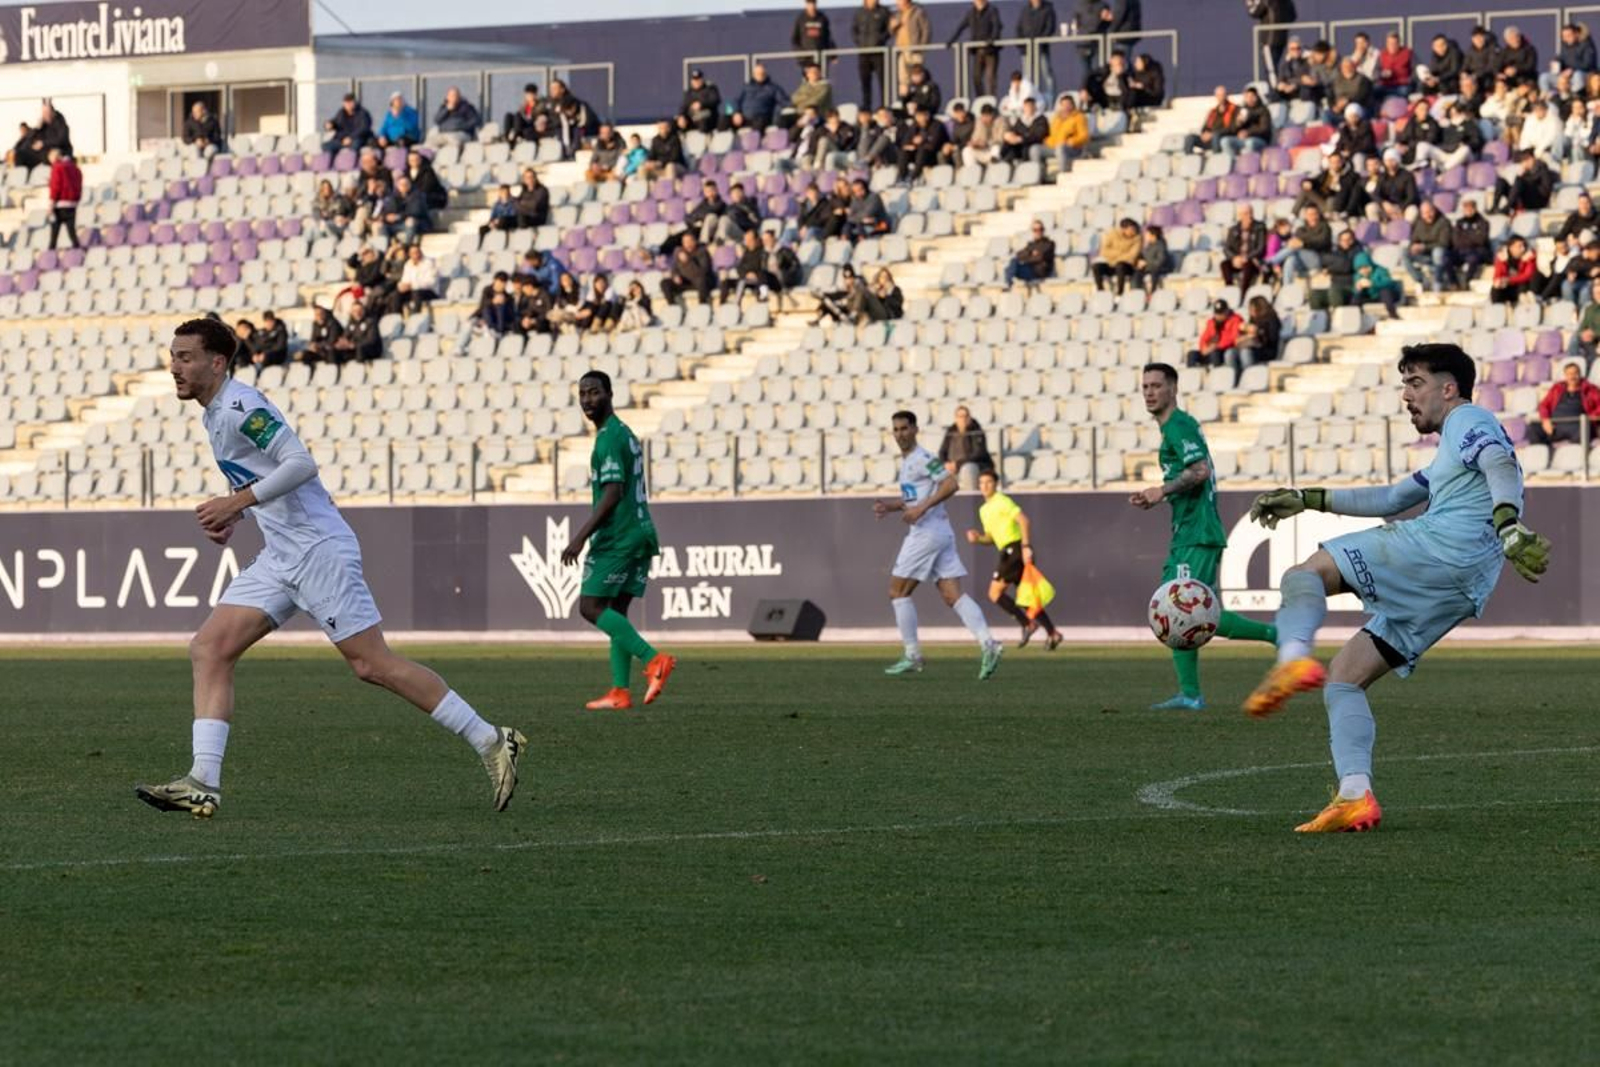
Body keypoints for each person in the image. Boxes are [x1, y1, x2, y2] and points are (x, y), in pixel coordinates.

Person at [133, 319, 524, 819]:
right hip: (282, 554)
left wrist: (236, 505)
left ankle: (492, 738)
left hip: (318, 550)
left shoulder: (240, 407)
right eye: (173, 356)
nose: (175, 367)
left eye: (185, 357)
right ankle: (203, 781)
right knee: (210, 648)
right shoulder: (213, 413)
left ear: (217, 362)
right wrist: (240, 511)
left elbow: (300, 463)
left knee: (370, 664)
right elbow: (265, 476)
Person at [1243, 344, 1549, 832]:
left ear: (1448, 388)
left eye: (1415, 383)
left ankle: (1291, 658)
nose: (1406, 395)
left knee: (1304, 575)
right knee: (1344, 677)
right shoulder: (1451, 447)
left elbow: (1500, 465)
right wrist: (1306, 498)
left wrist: (1509, 522)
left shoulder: (1469, 419)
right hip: (1461, 586)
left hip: (1441, 548)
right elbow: (1392, 497)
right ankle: (1354, 795)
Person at [1127, 362, 1277, 710]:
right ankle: (1191, 694)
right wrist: (1161, 496)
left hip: (1197, 532)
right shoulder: (1172, 429)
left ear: (1173, 389)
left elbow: (1200, 470)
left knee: (1180, 608)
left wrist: (1161, 491)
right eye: (1145, 386)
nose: (1149, 392)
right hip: (1190, 531)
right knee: (1182, 609)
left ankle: (1276, 635)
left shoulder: (1179, 425)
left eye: (1156, 385)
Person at [557, 371, 675, 711]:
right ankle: (620, 692)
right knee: (616, 611)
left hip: (619, 535)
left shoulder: (609, 438)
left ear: (610, 393)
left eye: (594, 392)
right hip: (641, 530)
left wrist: (580, 537)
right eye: (582, 394)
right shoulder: (626, 433)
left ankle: (654, 660)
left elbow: (613, 493)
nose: (587, 400)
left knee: (590, 607)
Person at [876, 410, 1004, 679]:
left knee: (897, 592)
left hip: (926, 533)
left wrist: (921, 510)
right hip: (939, 533)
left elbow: (951, 484)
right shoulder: (909, 461)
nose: (900, 434)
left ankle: (912, 655)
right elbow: (913, 498)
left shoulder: (923, 458)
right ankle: (989, 644)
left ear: (915, 429)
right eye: (896, 429)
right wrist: (891, 506)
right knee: (951, 595)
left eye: (904, 429)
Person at [967, 469, 1063, 649]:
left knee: (994, 593)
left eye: (989, 482)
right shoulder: (984, 510)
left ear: (995, 484)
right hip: (1006, 550)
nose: (985, 486)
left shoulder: (1002, 501)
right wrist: (978, 538)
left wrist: (1026, 546)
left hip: (1016, 549)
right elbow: (991, 537)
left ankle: (1028, 624)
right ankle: (1053, 633)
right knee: (1027, 599)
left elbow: (1024, 521)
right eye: (981, 483)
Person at [1527, 360, 1600, 445]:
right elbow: (1543, 405)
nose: (1572, 376)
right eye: (1569, 374)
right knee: (1533, 428)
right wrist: (1545, 420)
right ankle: (1543, 455)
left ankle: (1574, 454)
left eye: (1575, 373)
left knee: (1586, 429)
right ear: (1565, 376)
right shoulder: (1557, 388)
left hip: (1577, 426)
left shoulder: (1590, 389)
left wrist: (1590, 417)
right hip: (1555, 426)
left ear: (1580, 374)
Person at [948, 0, 1003, 98]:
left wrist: (992, 39)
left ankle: (991, 101)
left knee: (990, 78)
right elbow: (961, 27)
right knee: (976, 77)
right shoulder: (971, 13)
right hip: (978, 50)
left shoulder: (992, 10)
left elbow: (997, 26)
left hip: (990, 51)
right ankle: (981, 100)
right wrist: (951, 40)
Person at [938, 404, 993, 487]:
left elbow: (978, 454)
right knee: (932, 468)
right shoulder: (951, 431)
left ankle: (970, 498)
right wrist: (946, 464)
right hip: (952, 466)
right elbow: (942, 451)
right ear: (955, 418)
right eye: (960, 416)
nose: (963, 419)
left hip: (975, 465)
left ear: (969, 417)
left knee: (968, 469)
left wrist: (958, 464)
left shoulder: (977, 431)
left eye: (965, 416)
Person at [851, 0, 893, 109]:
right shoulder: (859, 13)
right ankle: (866, 106)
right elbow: (854, 30)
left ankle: (885, 106)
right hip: (864, 52)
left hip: (879, 52)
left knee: (883, 81)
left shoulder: (884, 11)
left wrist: (879, 40)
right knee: (865, 81)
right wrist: (859, 42)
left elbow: (889, 29)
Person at [1221, 203, 1267, 293]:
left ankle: (1243, 292)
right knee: (1224, 264)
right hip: (1237, 259)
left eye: (1249, 213)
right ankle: (1229, 289)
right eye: (1244, 213)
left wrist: (1246, 257)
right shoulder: (1233, 229)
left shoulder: (1260, 227)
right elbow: (1226, 248)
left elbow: (1260, 248)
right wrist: (1234, 257)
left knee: (1248, 265)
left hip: (1252, 260)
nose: (1247, 216)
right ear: (1240, 215)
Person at [729, 64, 789, 132]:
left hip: (761, 118)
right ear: (753, 75)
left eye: (762, 74)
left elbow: (784, 100)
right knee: (724, 119)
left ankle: (754, 141)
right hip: (743, 118)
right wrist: (736, 113)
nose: (760, 76)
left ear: (765, 74)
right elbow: (735, 100)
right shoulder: (746, 87)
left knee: (759, 122)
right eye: (758, 74)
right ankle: (721, 141)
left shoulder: (773, 88)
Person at [1187, 299, 1243, 369]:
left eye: (1221, 313)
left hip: (1224, 350)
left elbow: (1234, 338)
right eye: (1217, 313)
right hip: (1211, 350)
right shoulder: (1211, 322)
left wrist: (1216, 346)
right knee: (1192, 354)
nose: (1219, 316)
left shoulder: (1236, 319)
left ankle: (1217, 376)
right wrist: (1204, 348)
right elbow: (1204, 338)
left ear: (1227, 311)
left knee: (1215, 353)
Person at [1092, 217, 1141, 294]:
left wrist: (1114, 257)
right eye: (1131, 230)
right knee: (1096, 266)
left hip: (1127, 266)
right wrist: (1121, 253)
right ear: (1123, 229)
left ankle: (1120, 293)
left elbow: (1132, 255)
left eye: (1134, 230)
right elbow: (1104, 251)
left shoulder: (1137, 238)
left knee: (1120, 265)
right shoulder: (1112, 234)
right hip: (1111, 265)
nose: (1133, 232)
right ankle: (1100, 290)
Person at [1247, 0, 1298, 75]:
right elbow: (1293, 16)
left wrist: (1251, 2)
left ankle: (1275, 86)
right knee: (1274, 67)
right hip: (1281, 38)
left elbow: (1254, 12)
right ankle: (1278, 84)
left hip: (1269, 40)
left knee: (1271, 69)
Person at [1234, 295, 1281, 374]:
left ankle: (1249, 375)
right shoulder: (1253, 319)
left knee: (1245, 352)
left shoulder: (1271, 319)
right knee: (1231, 353)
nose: (1249, 311)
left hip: (1266, 349)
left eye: (1251, 308)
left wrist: (1258, 332)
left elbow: (1272, 338)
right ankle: (1235, 377)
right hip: (1254, 346)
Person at [1183, 86, 1237, 155]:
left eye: (1223, 95)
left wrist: (1212, 134)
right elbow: (1205, 126)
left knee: (1215, 136)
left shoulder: (1234, 109)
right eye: (1218, 95)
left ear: (1226, 95)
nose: (1221, 97)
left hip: (1221, 138)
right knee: (1190, 138)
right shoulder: (1213, 112)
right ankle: (1189, 160)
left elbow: (1232, 128)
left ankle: (1216, 159)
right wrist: (1204, 134)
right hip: (1209, 139)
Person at [1491, 235, 1541, 306]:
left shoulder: (1529, 256)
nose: (1523, 248)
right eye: (1519, 246)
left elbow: (1528, 275)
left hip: (1522, 287)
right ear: (1511, 247)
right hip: (1508, 286)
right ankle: (1497, 307)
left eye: (1524, 245)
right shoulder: (1501, 257)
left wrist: (1509, 280)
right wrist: (1500, 281)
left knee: (1523, 284)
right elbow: (1497, 275)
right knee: (1496, 286)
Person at [1004, 220, 1056, 289]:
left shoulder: (1049, 244)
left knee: (1012, 265)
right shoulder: (1031, 245)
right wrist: (1030, 253)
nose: (1038, 232)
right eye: (1035, 230)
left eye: (1040, 229)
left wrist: (1025, 259)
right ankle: (1008, 284)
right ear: (1032, 231)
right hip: (1029, 269)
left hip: (1039, 272)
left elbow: (1040, 257)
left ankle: (1008, 285)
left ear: (1043, 230)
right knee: (1010, 265)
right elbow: (1019, 255)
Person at [46, 148, 80, 250]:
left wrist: (51, 203)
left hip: (60, 204)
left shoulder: (57, 167)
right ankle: (77, 248)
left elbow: (56, 186)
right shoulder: (75, 168)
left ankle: (51, 250)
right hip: (72, 203)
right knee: (71, 230)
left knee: (55, 230)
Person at [1045, 94, 1090, 172]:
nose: (1066, 107)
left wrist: (1072, 141)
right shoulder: (1057, 118)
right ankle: (1038, 176)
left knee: (1060, 149)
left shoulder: (1079, 117)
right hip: (1056, 145)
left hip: (1074, 148)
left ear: (1072, 105)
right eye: (1063, 105)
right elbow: (1052, 134)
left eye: (1068, 104)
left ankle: (1063, 173)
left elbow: (1084, 136)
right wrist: (1048, 141)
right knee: (1035, 149)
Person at [677, 69, 722, 135]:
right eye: (694, 80)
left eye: (698, 79)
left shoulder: (710, 88)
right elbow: (683, 106)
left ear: (702, 79)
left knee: (702, 122)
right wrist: (681, 116)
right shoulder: (689, 93)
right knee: (676, 123)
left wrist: (701, 103)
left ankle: (706, 141)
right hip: (693, 118)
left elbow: (715, 99)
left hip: (708, 117)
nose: (696, 82)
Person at [1136, 223, 1169, 293]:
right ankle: (1138, 293)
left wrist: (1146, 263)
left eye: (1147, 234)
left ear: (1153, 235)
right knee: (1136, 274)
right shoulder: (1149, 245)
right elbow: (1144, 256)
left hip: (1158, 268)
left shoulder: (1161, 246)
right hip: (1148, 267)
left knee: (1154, 273)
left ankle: (1152, 293)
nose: (1145, 236)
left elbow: (1160, 261)